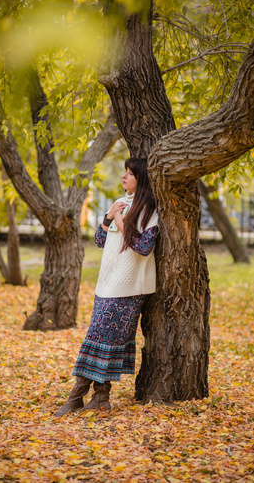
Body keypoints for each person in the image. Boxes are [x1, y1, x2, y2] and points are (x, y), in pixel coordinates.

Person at [54, 157, 159, 416]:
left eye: (130, 173)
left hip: (129, 287)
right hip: (107, 284)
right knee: (105, 340)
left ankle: (77, 396)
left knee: (101, 339)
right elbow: (100, 240)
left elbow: (144, 247)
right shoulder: (121, 203)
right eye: (124, 172)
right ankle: (100, 398)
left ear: (141, 179)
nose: (124, 176)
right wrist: (109, 216)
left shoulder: (149, 211)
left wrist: (121, 220)